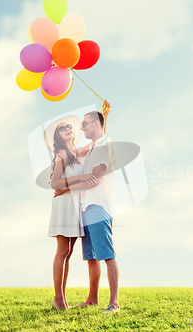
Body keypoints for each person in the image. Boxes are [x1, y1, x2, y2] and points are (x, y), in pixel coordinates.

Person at [53, 100, 120, 314]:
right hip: (83, 208)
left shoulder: (102, 146)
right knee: (91, 256)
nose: (80, 128)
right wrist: (103, 118)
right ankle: (92, 299)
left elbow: (94, 179)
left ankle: (114, 303)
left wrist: (66, 188)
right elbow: (97, 136)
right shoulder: (91, 148)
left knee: (107, 255)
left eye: (84, 124)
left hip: (97, 207)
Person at [47, 118, 96, 310]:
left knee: (68, 252)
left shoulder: (76, 152)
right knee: (62, 251)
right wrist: (80, 177)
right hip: (64, 205)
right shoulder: (61, 153)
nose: (67, 129)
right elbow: (55, 183)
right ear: (58, 136)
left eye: (69, 127)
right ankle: (58, 299)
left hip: (75, 204)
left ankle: (61, 299)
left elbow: (96, 142)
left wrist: (105, 117)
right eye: (62, 129)